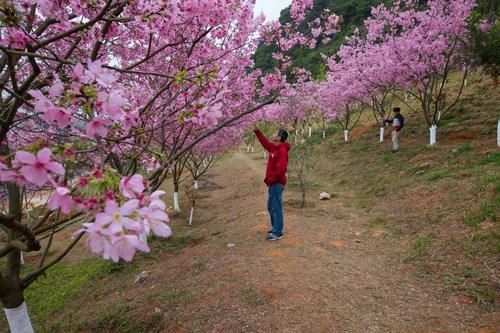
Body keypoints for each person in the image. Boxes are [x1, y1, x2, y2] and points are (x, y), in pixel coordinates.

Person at [254, 126, 290, 241]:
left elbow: (281, 170)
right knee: (271, 207)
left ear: (279, 137)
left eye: (275, 133)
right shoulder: (274, 148)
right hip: (272, 183)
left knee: (276, 207)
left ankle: (277, 232)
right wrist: (257, 131)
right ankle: (276, 227)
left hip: (276, 183)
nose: (273, 134)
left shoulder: (282, 151)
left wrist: (270, 179)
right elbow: (264, 142)